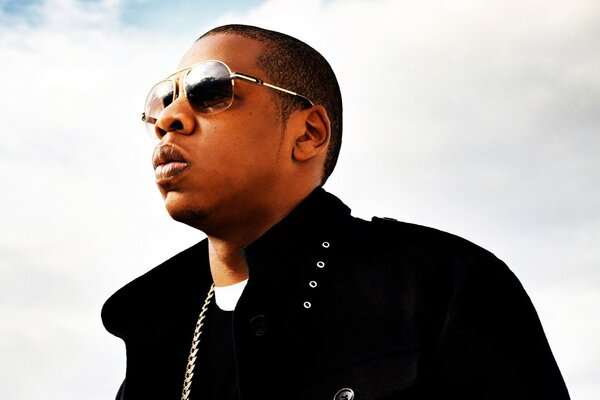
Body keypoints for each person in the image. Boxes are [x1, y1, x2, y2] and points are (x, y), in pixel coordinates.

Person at [102, 24, 570, 400]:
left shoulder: (440, 285)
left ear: (308, 134)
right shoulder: (154, 333)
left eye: (209, 89)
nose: (169, 119)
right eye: (162, 102)